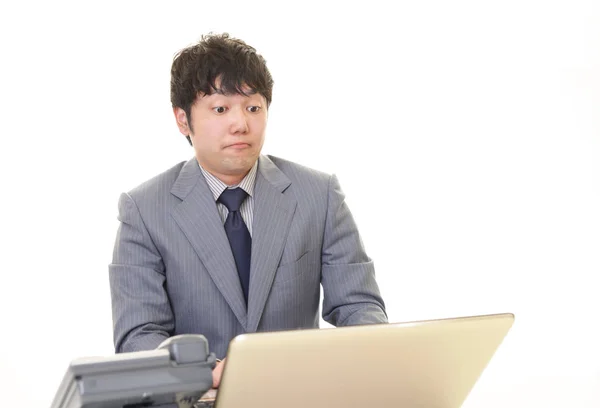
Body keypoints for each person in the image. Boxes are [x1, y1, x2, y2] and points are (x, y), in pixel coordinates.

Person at [109, 33, 387, 388]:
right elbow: (138, 336)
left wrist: (368, 354)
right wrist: (206, 372)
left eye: (253, 107)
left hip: (299, 394)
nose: (241, 123)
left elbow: (359, 306)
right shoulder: (144, 210)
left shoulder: (319, 194)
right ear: (183, 120)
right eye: (221, 108)